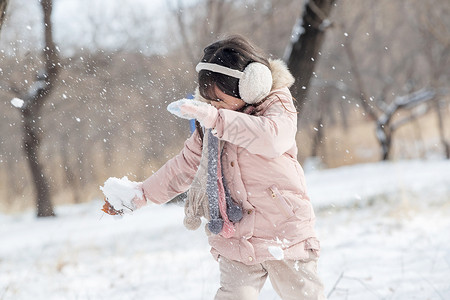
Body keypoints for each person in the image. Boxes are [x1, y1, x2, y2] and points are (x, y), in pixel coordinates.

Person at [108, 35, 326, 300]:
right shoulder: (210, 121)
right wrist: (143, 194)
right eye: (208, 100)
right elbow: (186, 164)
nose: (212, 107)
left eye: (219, 100)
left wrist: (215, 118)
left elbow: (271, 139)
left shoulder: (276, 104)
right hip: (238, 235)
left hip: (285, 232)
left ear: (249, 87)